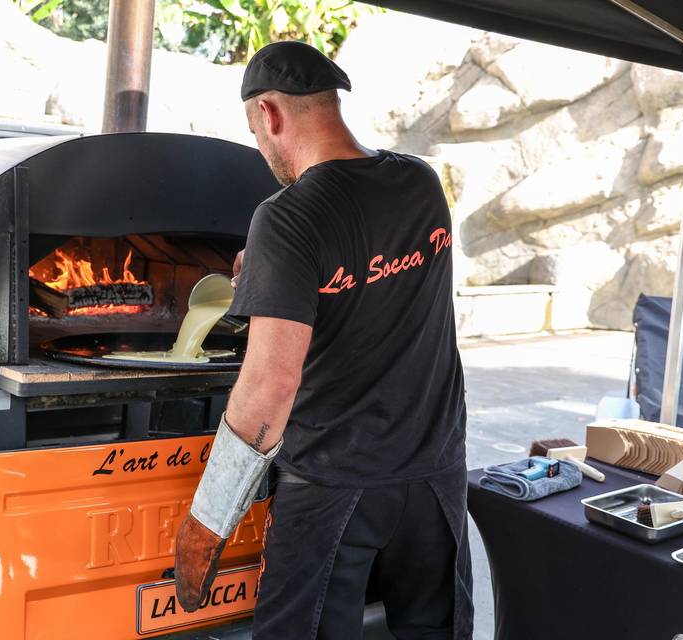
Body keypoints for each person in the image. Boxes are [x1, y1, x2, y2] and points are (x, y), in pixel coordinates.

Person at [174, 40, 472, 640]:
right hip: (435, 474)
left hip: (334, 487)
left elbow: (269, 386)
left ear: (269, 115)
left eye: (255, 133)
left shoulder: (289, 215)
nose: (262, 150)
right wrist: (268, 275)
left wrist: (205, 524)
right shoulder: (419, 182)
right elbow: (375, 292)